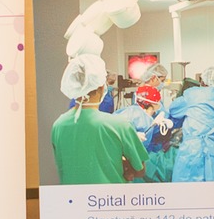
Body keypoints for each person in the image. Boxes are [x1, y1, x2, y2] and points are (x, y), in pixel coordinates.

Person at [51, 54, 147, 184]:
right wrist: (123, 163)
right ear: (102, 87)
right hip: (109, 196)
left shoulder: (58, 125)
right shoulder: (119, 125)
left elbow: (66, 165)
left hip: (72, 196)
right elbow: (139, 170)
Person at [168, 67, 214, 182]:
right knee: (210, 181)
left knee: (186, 181)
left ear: (202, 81)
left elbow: (174, 110)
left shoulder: (193, 94)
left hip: (194, 146)